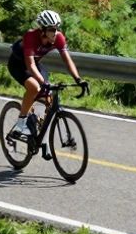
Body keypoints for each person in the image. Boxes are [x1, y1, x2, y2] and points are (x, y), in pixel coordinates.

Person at [7, 9, 87, 139]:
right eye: (51, 29)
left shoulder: (58, 38)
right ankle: (20, 124)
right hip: (18, 64)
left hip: (35, 64)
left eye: (56, 28)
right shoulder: (31, 37)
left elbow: (68, 61)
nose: (55, 32)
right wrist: (43, 82)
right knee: (35, 87)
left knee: (48, 98)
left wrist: (78, 79)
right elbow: (30, 65)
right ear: (43, 30)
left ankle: (38, 132)